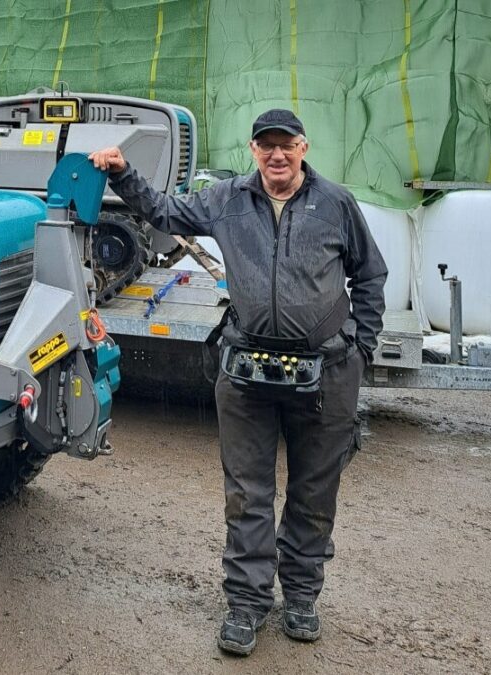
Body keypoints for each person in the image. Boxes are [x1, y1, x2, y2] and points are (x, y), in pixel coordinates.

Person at [89, 109, 387, 656]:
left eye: (287, 145)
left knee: (314, 490)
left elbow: (370, 274)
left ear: (304, 147)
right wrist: (122, 173)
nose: (277, 155)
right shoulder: (227, 199)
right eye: (266, 145)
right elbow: (163, 210)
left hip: (328, 373)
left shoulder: (336, 203)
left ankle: (301, 597)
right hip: (248, 368)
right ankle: (247, 605)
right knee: (247, 493)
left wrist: (361, 347)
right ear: (253, 149)